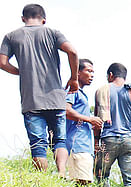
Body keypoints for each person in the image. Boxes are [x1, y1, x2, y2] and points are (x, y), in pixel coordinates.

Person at [0, 4, 79, 173]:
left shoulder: (11, 36)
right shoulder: (52, 33)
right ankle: (62, 174)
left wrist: (21, 71)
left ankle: (43, 178)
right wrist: (74, 78)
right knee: (60, 140)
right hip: (56, 99)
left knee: (38, 144)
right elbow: (72, 51)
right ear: (43, 19)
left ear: (23, 18)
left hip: (31, 101)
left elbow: (2, 63)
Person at [64, 59, 102, 185]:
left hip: (84, 145)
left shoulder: (81, 93)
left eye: (93, 72)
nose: (92, 75)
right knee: (81, 184)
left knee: (84, 183)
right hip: (77, 144)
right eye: (88, 71)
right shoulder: (72, 90)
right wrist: (89, 119)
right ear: (78, 73)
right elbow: (66, 110)